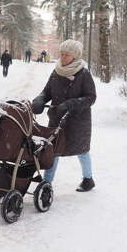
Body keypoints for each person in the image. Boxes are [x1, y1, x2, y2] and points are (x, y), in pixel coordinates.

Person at [32, 39, 97, 192]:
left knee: (81, 150)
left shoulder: (83, 73)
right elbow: (47, 91)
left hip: (77, 120)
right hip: (56, 117)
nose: (63, 57)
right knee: (52, 149)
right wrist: (39, 100)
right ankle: (47, 183)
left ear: (75, 56)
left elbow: (91, 97)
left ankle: (88, 179)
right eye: (61, 53)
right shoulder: (57, 71)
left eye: (66, 54)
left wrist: (70, 104)